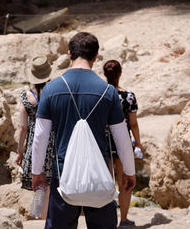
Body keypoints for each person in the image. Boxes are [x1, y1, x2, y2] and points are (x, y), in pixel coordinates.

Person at [31, 32, 136, 229]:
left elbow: (40, 136)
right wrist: (129, 171)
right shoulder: (108, 92)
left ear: (69, 54)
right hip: (99, 172)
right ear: (96, 56)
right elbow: (121, 136)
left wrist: (37, 172)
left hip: (63, 173)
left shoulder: (51, 89)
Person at [103, 59, 143, 227]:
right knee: (124, 182)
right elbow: (133, 123)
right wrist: (138, 143)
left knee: (105, 184)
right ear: (120, 74)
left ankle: (105, 221)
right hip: (123, 144)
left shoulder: (100, 95)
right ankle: (124, 219)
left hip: (103, 144)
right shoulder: (129, 97)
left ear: (105, 75)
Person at [16, 56, 54, 218]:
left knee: (38, 183)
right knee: (51, 184)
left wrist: (19, 151)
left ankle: (39, 215)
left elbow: (23, 127)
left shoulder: (25, 98)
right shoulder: (53, 93)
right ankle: (46, 216)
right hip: (53, 141)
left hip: (34, 142)